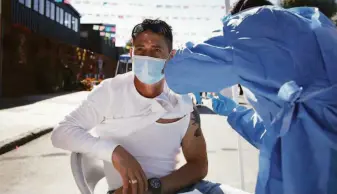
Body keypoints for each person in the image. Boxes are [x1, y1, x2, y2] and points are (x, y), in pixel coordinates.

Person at [51, 19, 250, 194]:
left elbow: (198, 165)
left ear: (169, 56)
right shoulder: (111, 92)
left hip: (172, 188)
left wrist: (153, 188)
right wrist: (115, 152)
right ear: (131, 53)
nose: (148, 57)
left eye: (156, 50)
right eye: (140, 50)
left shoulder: (181, 99)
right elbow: (61, 133)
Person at [164, 0, 337, 194]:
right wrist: (233, 112)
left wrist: (170, 62)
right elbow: (278, 132)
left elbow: (180, 71)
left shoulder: (256, 22)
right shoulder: (318, 33)